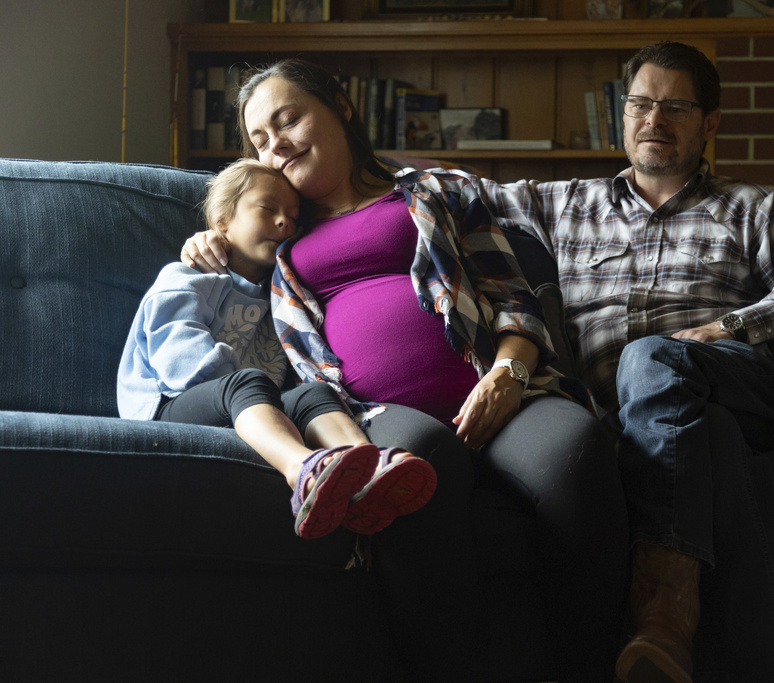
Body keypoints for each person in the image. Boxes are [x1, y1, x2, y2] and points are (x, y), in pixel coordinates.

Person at [181, 60, 629, 682]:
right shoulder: (277, 229)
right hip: (375, 413)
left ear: (341, 106)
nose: (275, 144)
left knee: (577, 449)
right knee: (423, 467)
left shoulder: (433, 190)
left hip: (501, 393)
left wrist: (509, 376)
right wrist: (206, 243)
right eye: (259, 138)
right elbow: (219, 266)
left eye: (288, 119)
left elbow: (511, 293)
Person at [472, 41, 774, 683]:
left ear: (709, 124)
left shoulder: (749, 207)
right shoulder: (563, 203)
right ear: (623, 115)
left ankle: (663, 610)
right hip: (647, 410)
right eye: (641, 104)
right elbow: (455, 193)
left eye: (675, 107)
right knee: (703, 435)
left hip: (736, 380)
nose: (654, 120)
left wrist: (727, 326)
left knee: (651, 359)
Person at [118, 159, 436, 540]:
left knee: (314, 393)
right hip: (170, 405)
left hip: (254, 406)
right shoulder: (187, 277)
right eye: (268, 209)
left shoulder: (282, 294)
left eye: (293, 216)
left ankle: (367, 467)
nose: (285, 222)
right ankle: (303, 470)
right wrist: (255, 392)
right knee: (245, 381)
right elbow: (178, 361)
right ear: (221, 221)